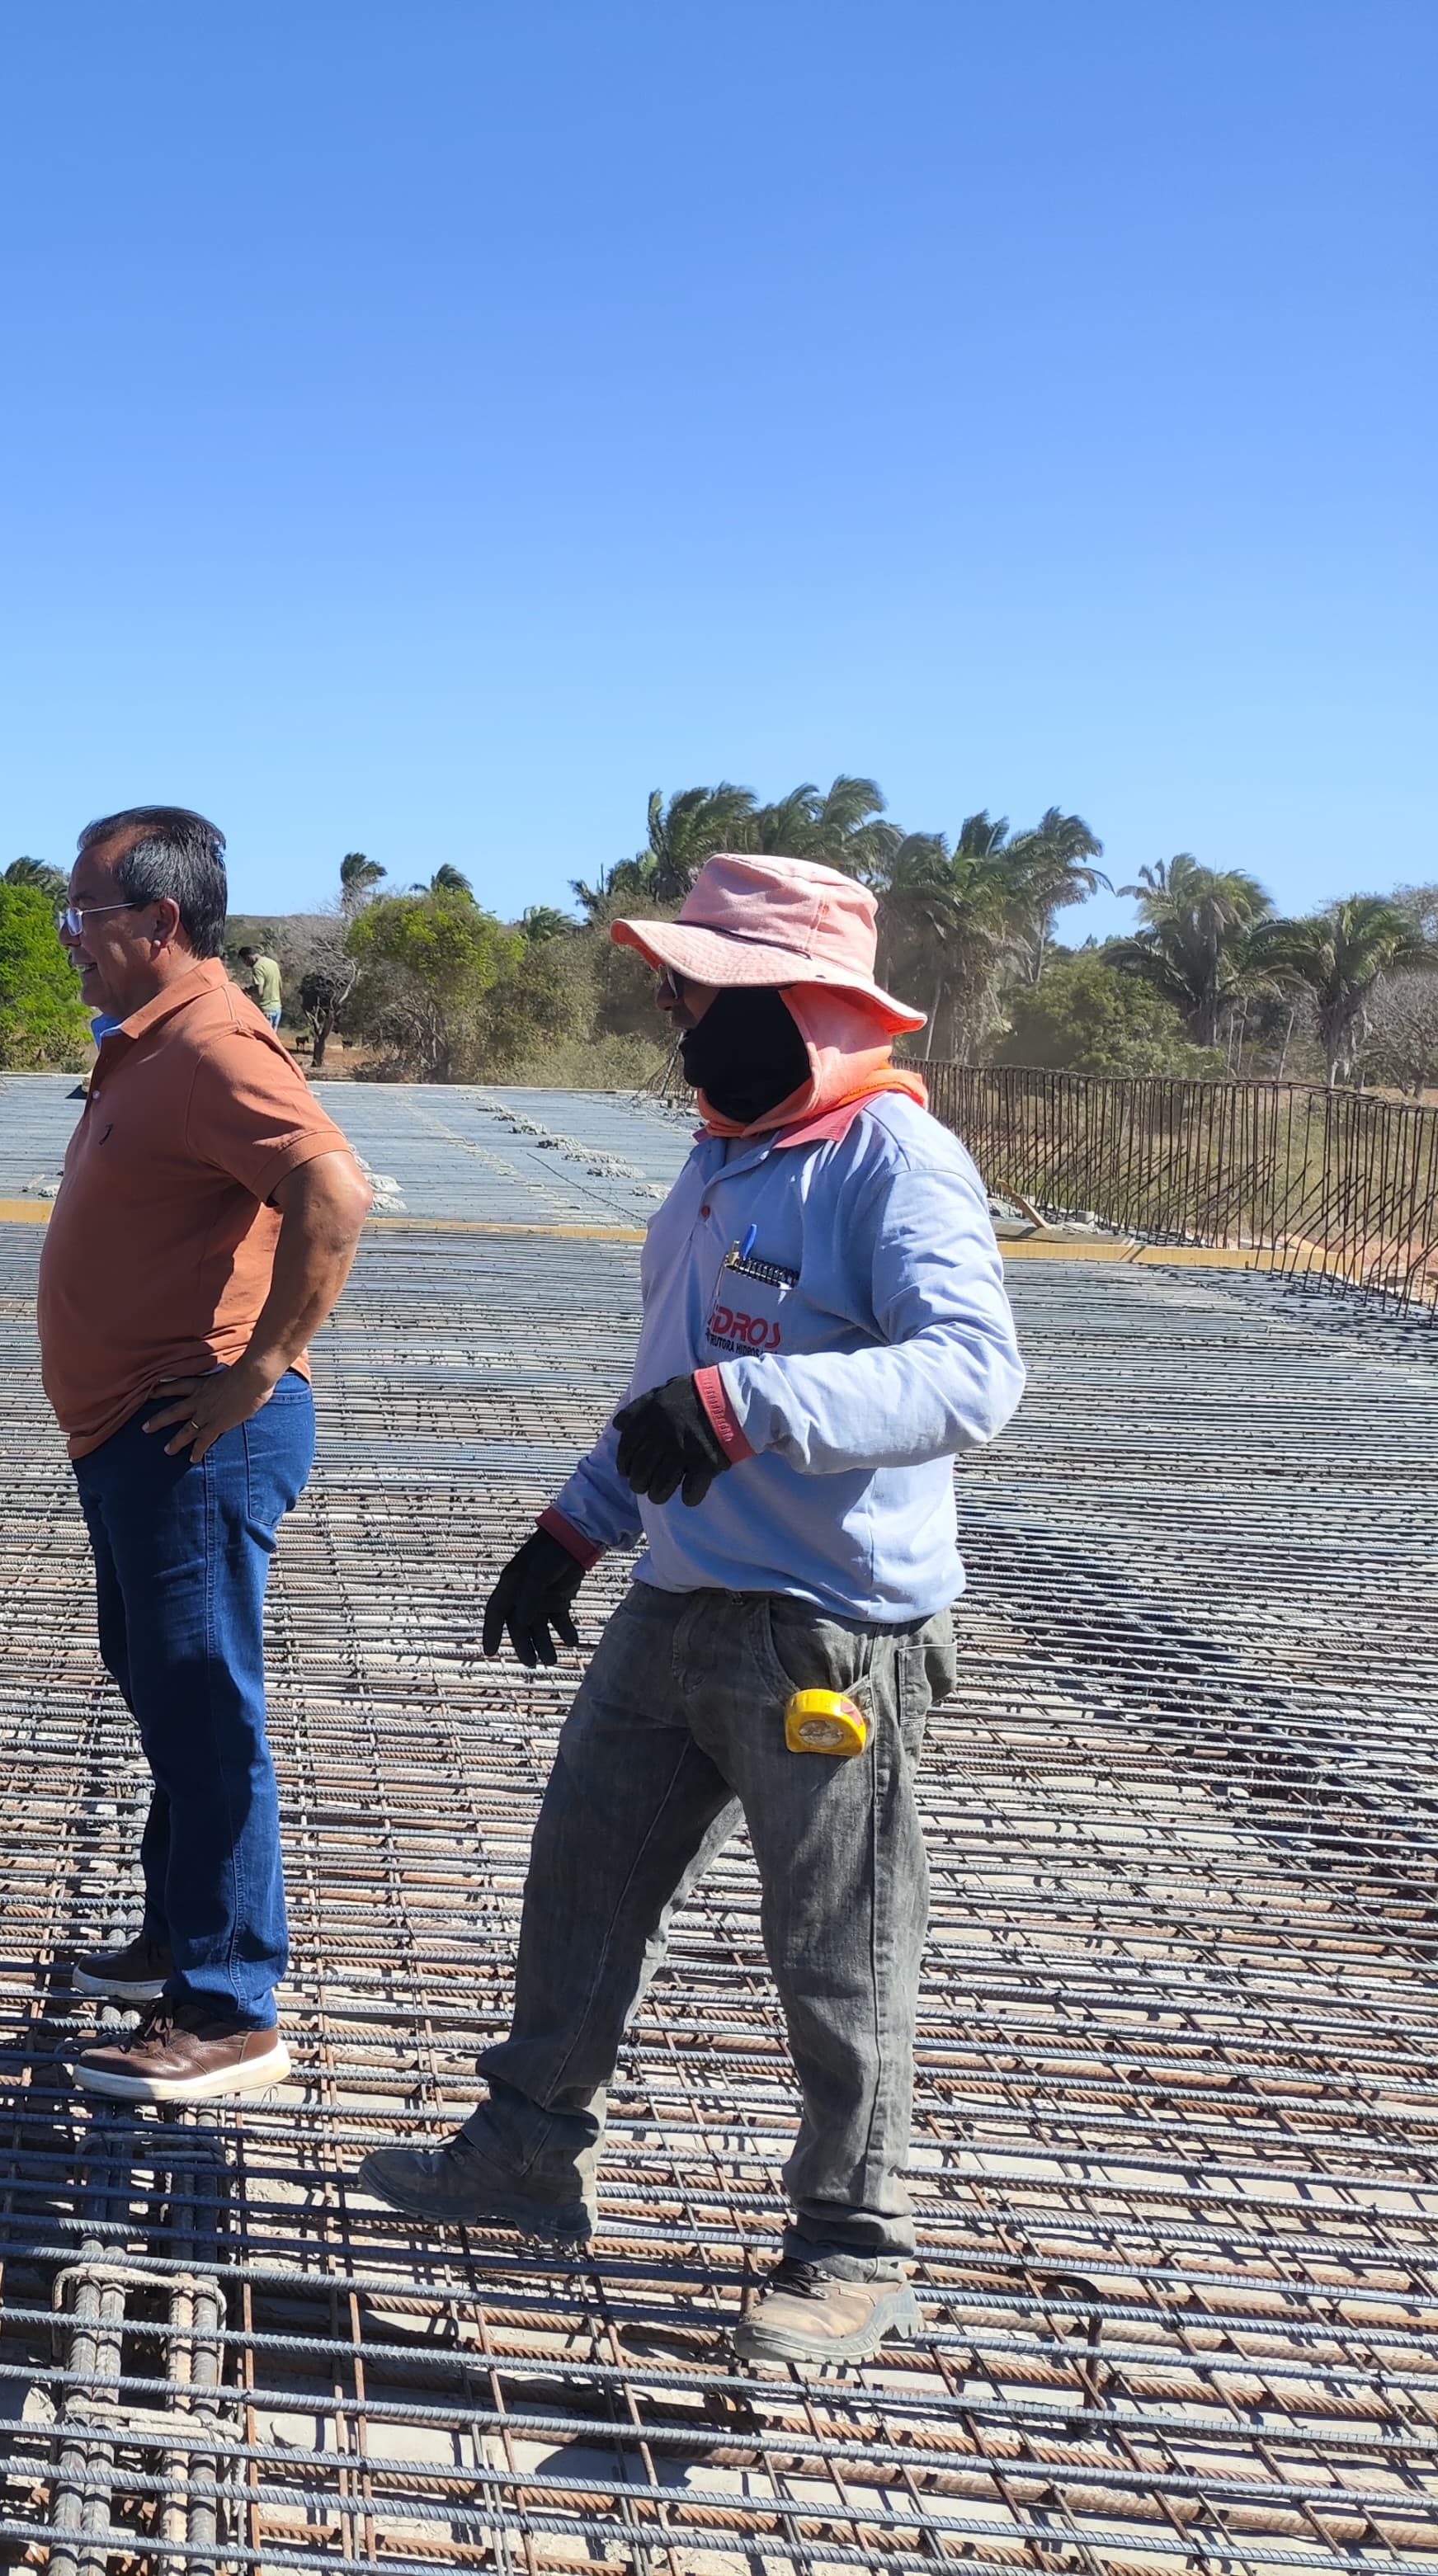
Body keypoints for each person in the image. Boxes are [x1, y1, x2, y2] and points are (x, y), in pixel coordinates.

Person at [356, 852, 1025, 2368]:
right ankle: (528, 2150)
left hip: (831, 1632)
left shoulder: (891, 1166)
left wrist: (750, 1402)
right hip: (679, 1602)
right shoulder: (724, 1154)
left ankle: (851, 2242)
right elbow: (676, 1374)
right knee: (583, 1877)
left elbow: (974, 1375)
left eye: (698, 990)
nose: (671, 1016)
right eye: (672, 987)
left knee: (838, 1946)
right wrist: (574, 1528)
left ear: (802, 1005)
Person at [39, 808, 373, 2102]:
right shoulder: (152, 1044)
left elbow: (331, 1192)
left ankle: (231, 2005)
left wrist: (261, 1367)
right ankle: (183, 1932)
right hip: (136, 1429)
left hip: (197, 1435)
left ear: (159, 925)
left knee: (206, 1703)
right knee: (166, 1685)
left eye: (87, 917)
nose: (73, 940)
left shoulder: (217, 1042)